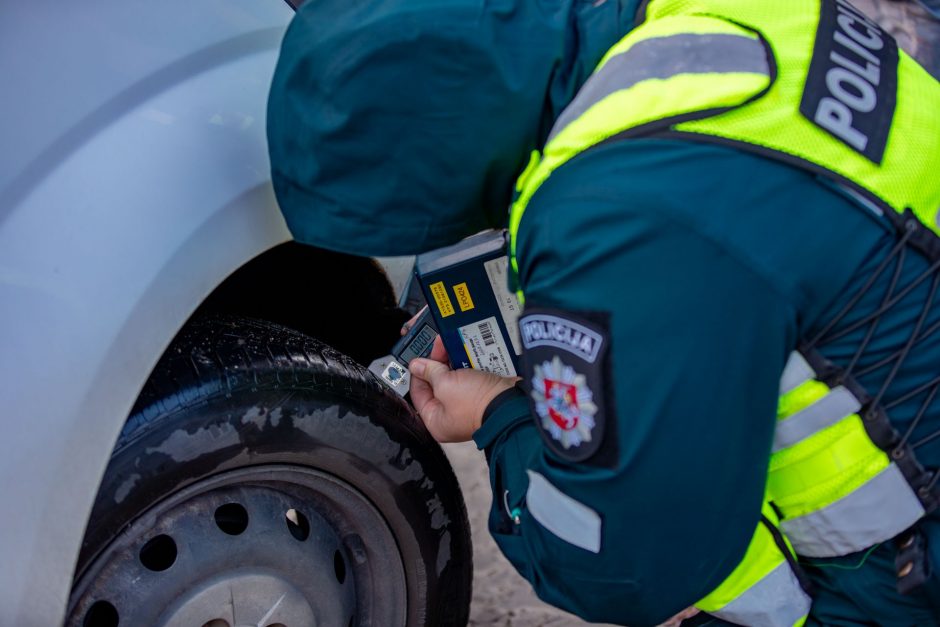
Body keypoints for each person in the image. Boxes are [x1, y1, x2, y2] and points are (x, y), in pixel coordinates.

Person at [266, 0, 940, 624]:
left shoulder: (616, 214)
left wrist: (500, 417)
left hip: (901, 569)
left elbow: (617, 560)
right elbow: (748, 221)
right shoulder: (709, 23)